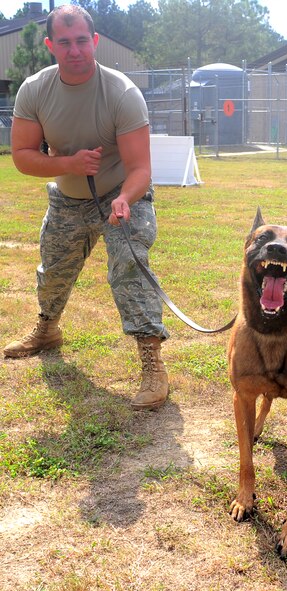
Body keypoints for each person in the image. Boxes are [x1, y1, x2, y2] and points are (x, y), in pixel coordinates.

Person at [3, 5, 170, 410]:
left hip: (120, 197)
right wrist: (69, 165)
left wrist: (124, 199)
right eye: (64, 42)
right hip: (67, 197)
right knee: (53, 271)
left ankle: (152, 363)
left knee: (129, 266)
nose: (74, 50)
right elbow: (22, 155)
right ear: (50, 46)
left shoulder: (122, 93)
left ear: (94, 41)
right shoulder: (35, 90)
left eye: (81, 41)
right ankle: (47, 329)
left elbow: (141, 168)